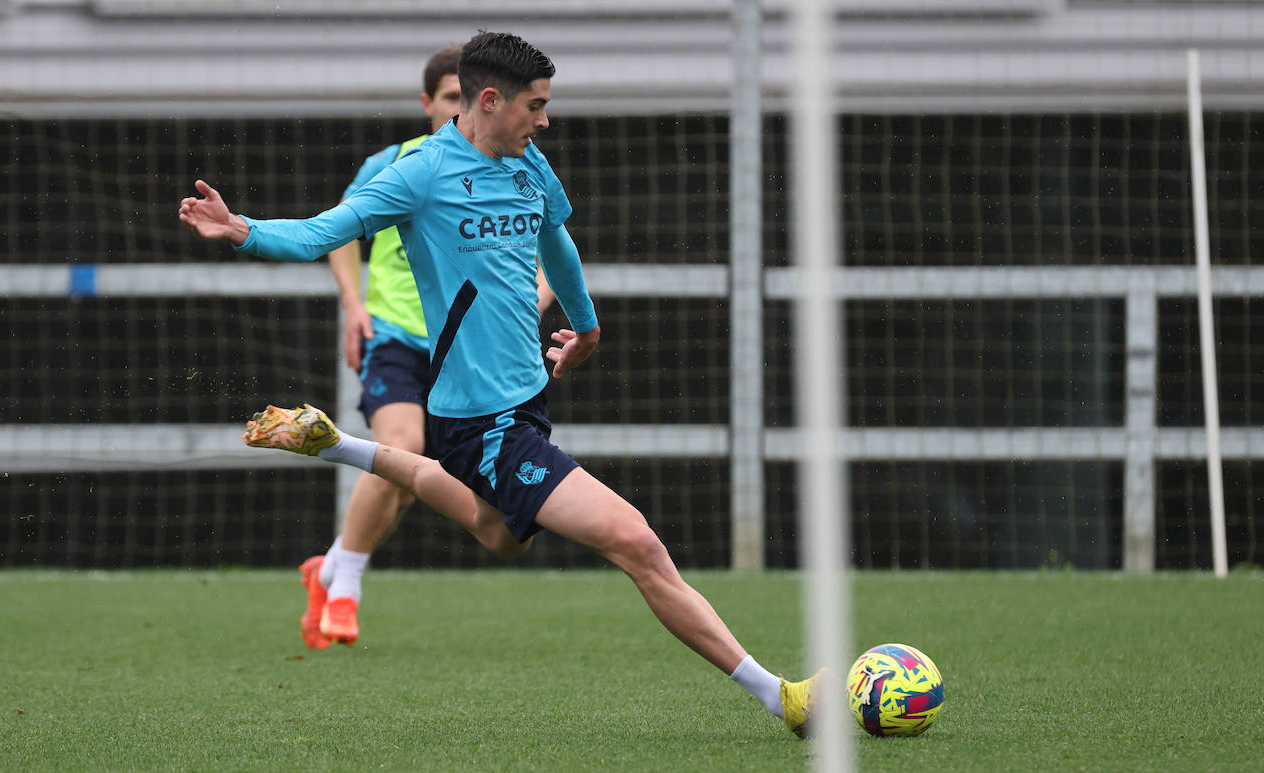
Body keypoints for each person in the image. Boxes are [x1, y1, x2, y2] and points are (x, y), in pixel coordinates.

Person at [179, 30, 821, 738]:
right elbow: (321, 233)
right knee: (635, 539)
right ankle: (781, 695)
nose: (545, 120)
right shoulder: (418, 174)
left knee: (501, 533)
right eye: (536, 106)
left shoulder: (528, 162)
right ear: (490, 101)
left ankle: (337, 445)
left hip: (524, 404)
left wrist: (589, 325)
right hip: (483, 423)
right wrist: (242, 230)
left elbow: (558, 241)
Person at [300, 45, 555, 652]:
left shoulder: (513, 170)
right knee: (404, 446)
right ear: (430, 103)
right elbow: (340, 228)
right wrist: (353, 305)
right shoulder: (399, 166)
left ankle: (332, 563)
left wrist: (523, 309)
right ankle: (347, 589)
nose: (455, 109)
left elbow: (544, 257)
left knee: (446, 491)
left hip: (465, 354)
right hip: (394, 336)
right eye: (445, 99)